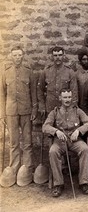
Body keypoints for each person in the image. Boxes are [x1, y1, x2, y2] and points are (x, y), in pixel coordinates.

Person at [42, 88, 88, 197]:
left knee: (85, 149)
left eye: (69, 97)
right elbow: (45, 127)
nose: (67, 100)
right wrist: (56, 131)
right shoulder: (55, 112)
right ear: (60, 98)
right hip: (60, 142)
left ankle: (83, 182)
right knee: (53, 151)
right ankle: (58, 184)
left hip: (75, 141)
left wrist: (79, 130)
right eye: (65, 97)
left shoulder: (77, 111)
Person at [0, 46, 37, 187]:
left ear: (23, 56)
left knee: (27, 141)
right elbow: (2, 95)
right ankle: (14, 168)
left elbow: (33, 93)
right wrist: (2, 114)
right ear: (11, 56)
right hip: (11, 112)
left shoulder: (29, 72)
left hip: (26, 111)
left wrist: (34, 110)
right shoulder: (5, 73)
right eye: (14, 55)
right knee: (14, 142)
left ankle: (26, 169)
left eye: (19, 55)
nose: (17, 58)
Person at [37, 46, 78, 117]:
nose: (58, 57)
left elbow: (74, 92)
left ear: (63, 56)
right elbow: (40, 89)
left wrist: (72, 108)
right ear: (52, 57)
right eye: (55, 55)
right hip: (50, 107)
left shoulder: (69, 72)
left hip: (65, 108)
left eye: (60, 55)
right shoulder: (46, 71)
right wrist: (42, 105)